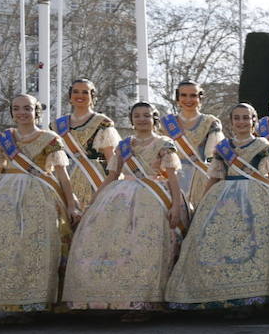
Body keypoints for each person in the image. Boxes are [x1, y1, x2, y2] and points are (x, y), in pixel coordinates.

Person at [63, 102, 187, 317]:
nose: (141, 119)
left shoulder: (164, 143)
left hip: (153, 197)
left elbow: (173, 176)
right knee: (112, 245)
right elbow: (111, 175)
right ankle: (108, 297)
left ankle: (144, 299)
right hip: (120, 197)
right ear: (131, 119)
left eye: (146, 115)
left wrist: (176, 204)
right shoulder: (124, 145)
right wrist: (94, 202)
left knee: (144, 247)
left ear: (154, 119)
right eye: (137, 115)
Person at [166, 103, 269, 313]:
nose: (241, 122)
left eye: (245, 118)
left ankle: (250, 297)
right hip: (223, 198)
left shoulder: (262, 145)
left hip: (257, 199)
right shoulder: (223, 148)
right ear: (231, 122)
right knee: (216, 242)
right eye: (237, 118)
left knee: (253, 244)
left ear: (253, 121)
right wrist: (202, 203)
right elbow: (214, 176)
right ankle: (219, 295)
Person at [0, 94, 77, 315]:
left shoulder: (50, 138)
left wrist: (71, 204)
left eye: (27, 108)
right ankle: (3, 297)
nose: (22, 113)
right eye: (17, 108)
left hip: (40, 194)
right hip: (4, 194)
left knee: (36, 242)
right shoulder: (5, 139)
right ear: (12, 112)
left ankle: (36, 299)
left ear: (36, 111)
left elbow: (62, 175)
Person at [55, 78, 120, 209]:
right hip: (63, 178)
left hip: (94, 179)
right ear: (70, 96)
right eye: (76, 92)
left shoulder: (102, 123)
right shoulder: (57, 125)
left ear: (92, 97)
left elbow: (112, 160)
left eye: (85, 92)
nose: (80, 95)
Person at [163, 80, 224, 209]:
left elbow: (214, 156)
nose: (188, 99)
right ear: (177, 98)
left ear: (200, 98)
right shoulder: (166, 124)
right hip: (170, 179)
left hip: (201, 179)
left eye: (193, 95)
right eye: (184, 95)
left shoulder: (210, 122)